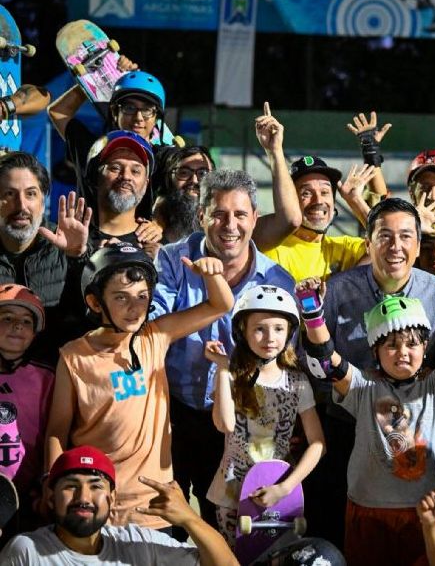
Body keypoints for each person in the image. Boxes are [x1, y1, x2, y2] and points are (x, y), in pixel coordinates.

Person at [298, 272, 435, 566]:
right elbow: (327, 361)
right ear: (376, 353)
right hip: (367, 509)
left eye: (411, 344)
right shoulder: (365, 389)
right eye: (391, 345)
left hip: (426, 511)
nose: (402, 353)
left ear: (425, 348)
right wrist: (313, 314)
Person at [45, 242, 235, 531]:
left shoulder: (154, 337)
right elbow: (57, 432)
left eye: (142, 296)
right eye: (121, 298)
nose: (135, 309)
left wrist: (211, 275)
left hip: (155, 508)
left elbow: (221, 305)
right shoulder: (73, 357)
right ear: (95, 303)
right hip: (97, 507)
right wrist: (52, 483)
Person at [151, 166, 294, 535]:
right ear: (201, 216)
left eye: (240, 214)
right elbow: (154, 330)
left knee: (235, 534)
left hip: (242, 422)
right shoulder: (171, 259)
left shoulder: (277, 279)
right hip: (173, 416)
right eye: (218, 214)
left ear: (255, 218)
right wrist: (212, 288)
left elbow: (280, 361)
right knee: (168, 525)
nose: (229, 225)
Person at [203, 285, 325, 546]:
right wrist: (223, 369)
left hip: (281, 491)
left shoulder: (297, 382)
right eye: (259, 329)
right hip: (232, 494)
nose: (270, 337)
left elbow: (318, 444)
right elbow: (224, 423)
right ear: (242, 332)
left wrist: (285, 487)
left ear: (289, 333)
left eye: (279, 329)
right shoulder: (232, 377)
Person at [0, 445, 237, 565]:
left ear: (112, 499)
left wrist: (190, 519)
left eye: (96, 486)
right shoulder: (27, 551)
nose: (84, 497)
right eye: (71, 486)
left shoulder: (137, 544)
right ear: (51, 497)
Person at [0, 152, 93, 364]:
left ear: (43, 201)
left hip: (57, 376)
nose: (21, 206)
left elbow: (90, 318)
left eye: (31, 194)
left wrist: (78, 256)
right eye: (9, 193)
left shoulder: (69, 244)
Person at [258, 154, 372, 281]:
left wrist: (355, 201)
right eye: (306, 193)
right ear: (290, 201)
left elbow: (389, 246)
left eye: (324, 192)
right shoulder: (270, 250)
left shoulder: (345, 248)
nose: (318, 200)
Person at [0, 285, 53, 537]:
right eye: (7, 318)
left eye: (26, 321)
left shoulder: (47, 378)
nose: (17, 326)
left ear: (35, 333)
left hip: (33, 498)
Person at [83, 131, 163, 256]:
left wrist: (161, 267)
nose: (126, 176)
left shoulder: (160, 246)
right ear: (95, 177)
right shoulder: (70, 238)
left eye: (135, 171)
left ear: (146, 184)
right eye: (115, 168)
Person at [152, 144, 216, 243]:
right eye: (184, 173)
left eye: (202, 173)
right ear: (169, 179)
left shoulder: (222, 222)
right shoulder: (154, 224)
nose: (194, 180)